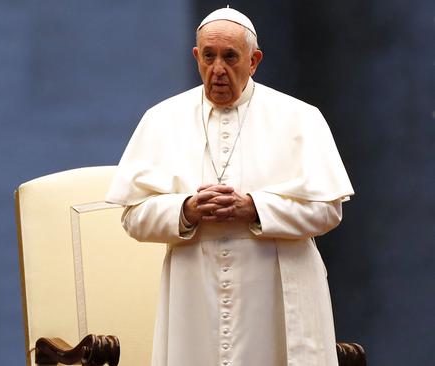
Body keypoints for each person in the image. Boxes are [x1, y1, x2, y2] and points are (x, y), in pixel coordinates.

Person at [105, 7, 354, 366]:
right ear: (196, 56)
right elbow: (133, 217)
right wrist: (186, 209)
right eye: (208, 56)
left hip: (275, 291)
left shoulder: (300, 117)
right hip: (194, 293)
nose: (218, 69)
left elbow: (328, 211)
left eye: (230, 57)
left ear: (254, 61)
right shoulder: (161, 119)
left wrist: (255, 207)